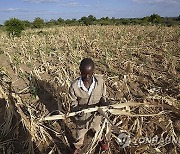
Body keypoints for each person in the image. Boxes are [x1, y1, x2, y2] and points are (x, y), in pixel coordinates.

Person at [69, 58, 108, 154]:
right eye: (84, 73)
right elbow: (73, 102)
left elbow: (103, 97)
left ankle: (101, 141)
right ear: (80, 71)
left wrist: (105, 104)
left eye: (89, 74)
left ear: (93, 71)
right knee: (79, 135)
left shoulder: (100, 83)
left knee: (97, 130)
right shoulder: (74, 86)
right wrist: (77, 110)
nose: (86, 77)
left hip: (96, 117)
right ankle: (77, 147)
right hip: (82, 120)